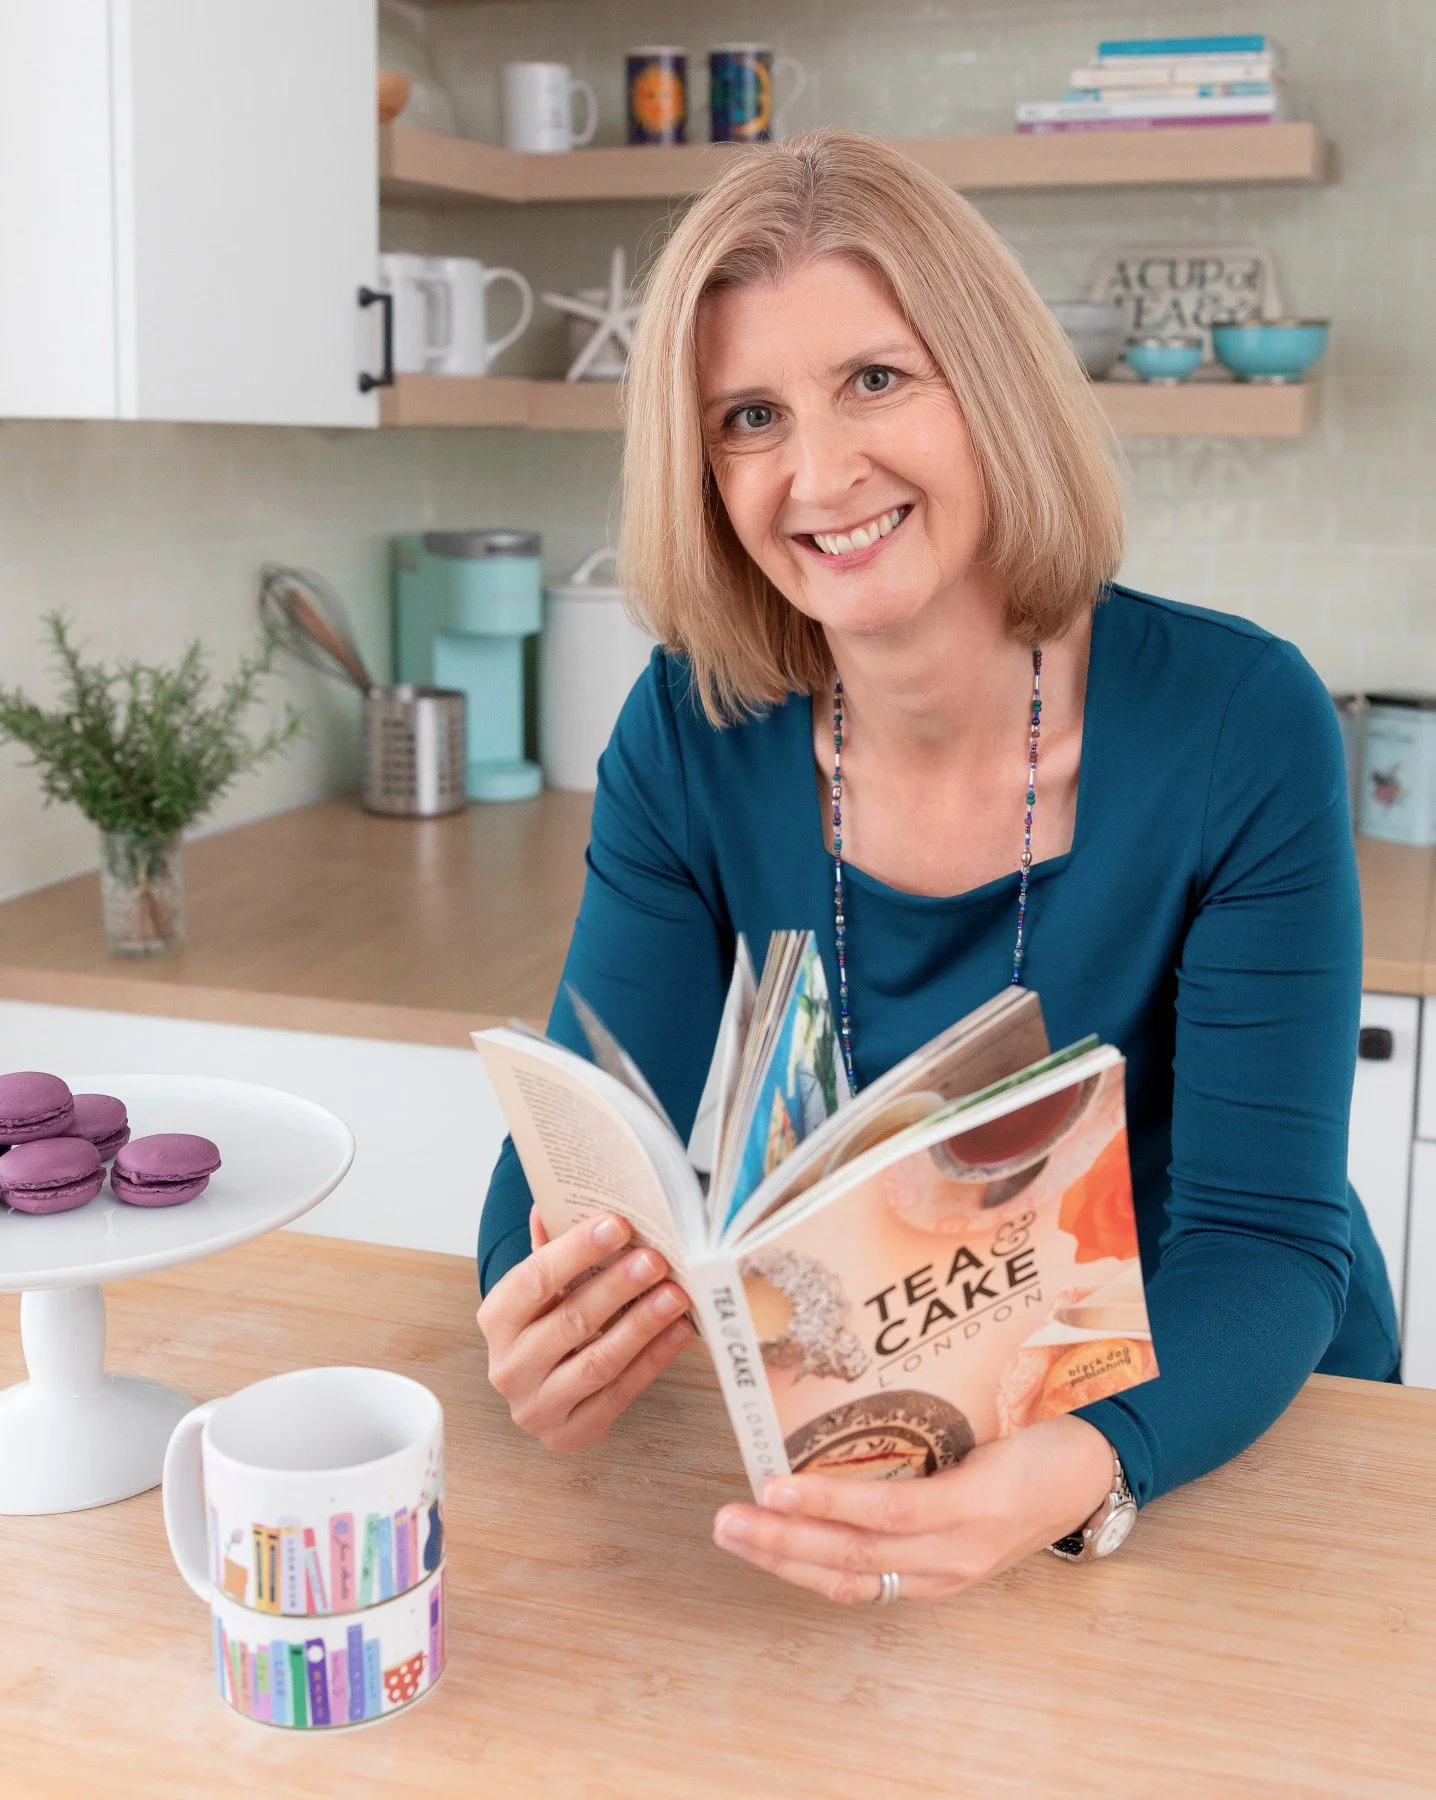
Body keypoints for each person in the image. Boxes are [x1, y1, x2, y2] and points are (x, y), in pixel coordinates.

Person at [476, 127, 1398, 1605]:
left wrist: (1076, 1471)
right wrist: (545, 1316)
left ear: (993, 390)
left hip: (1207, 1424)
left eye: (876, 381)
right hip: (875, 1424)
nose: (818, 472)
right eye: (749, 415)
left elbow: (1264, 1241)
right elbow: (596, 1145)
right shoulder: (691, 723)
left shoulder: (1240, 722)